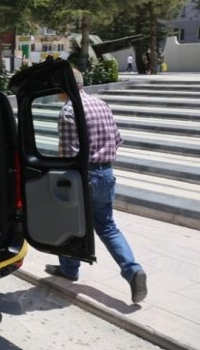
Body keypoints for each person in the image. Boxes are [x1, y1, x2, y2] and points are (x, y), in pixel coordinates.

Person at [45, 67, 148, 304]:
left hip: (84, 177)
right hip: (107, 174)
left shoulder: (69, 111)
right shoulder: (102, 104)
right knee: (108, 226)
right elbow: (118, 139)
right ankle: (133, 270)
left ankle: (70, 269)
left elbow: (69, 155)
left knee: (67, 223)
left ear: (64, 87)